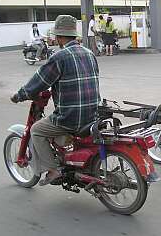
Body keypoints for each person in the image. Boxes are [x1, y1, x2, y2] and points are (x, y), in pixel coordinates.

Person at [10, 15, 101, 185]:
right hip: (93, 115)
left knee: (36, 130)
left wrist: (19, 95)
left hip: (70, 118)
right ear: (74, 35)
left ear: (59, 37)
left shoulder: (59, 57)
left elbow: (38, 82)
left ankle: (53, 170)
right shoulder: (89, 53)